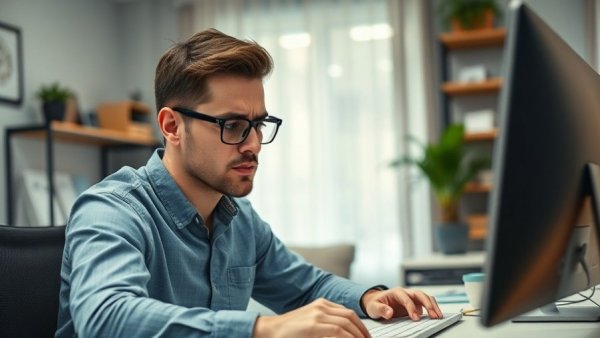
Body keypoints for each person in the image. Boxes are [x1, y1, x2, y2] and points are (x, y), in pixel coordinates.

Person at [56, 28, 442, 337]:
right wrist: (263, 328)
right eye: (234, 126)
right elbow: (105, 318)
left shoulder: (238, 217)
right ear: (172, 126)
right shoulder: (110, 209)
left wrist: (372, 298)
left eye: (259, 125)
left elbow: (304, 287)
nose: (255, 144)